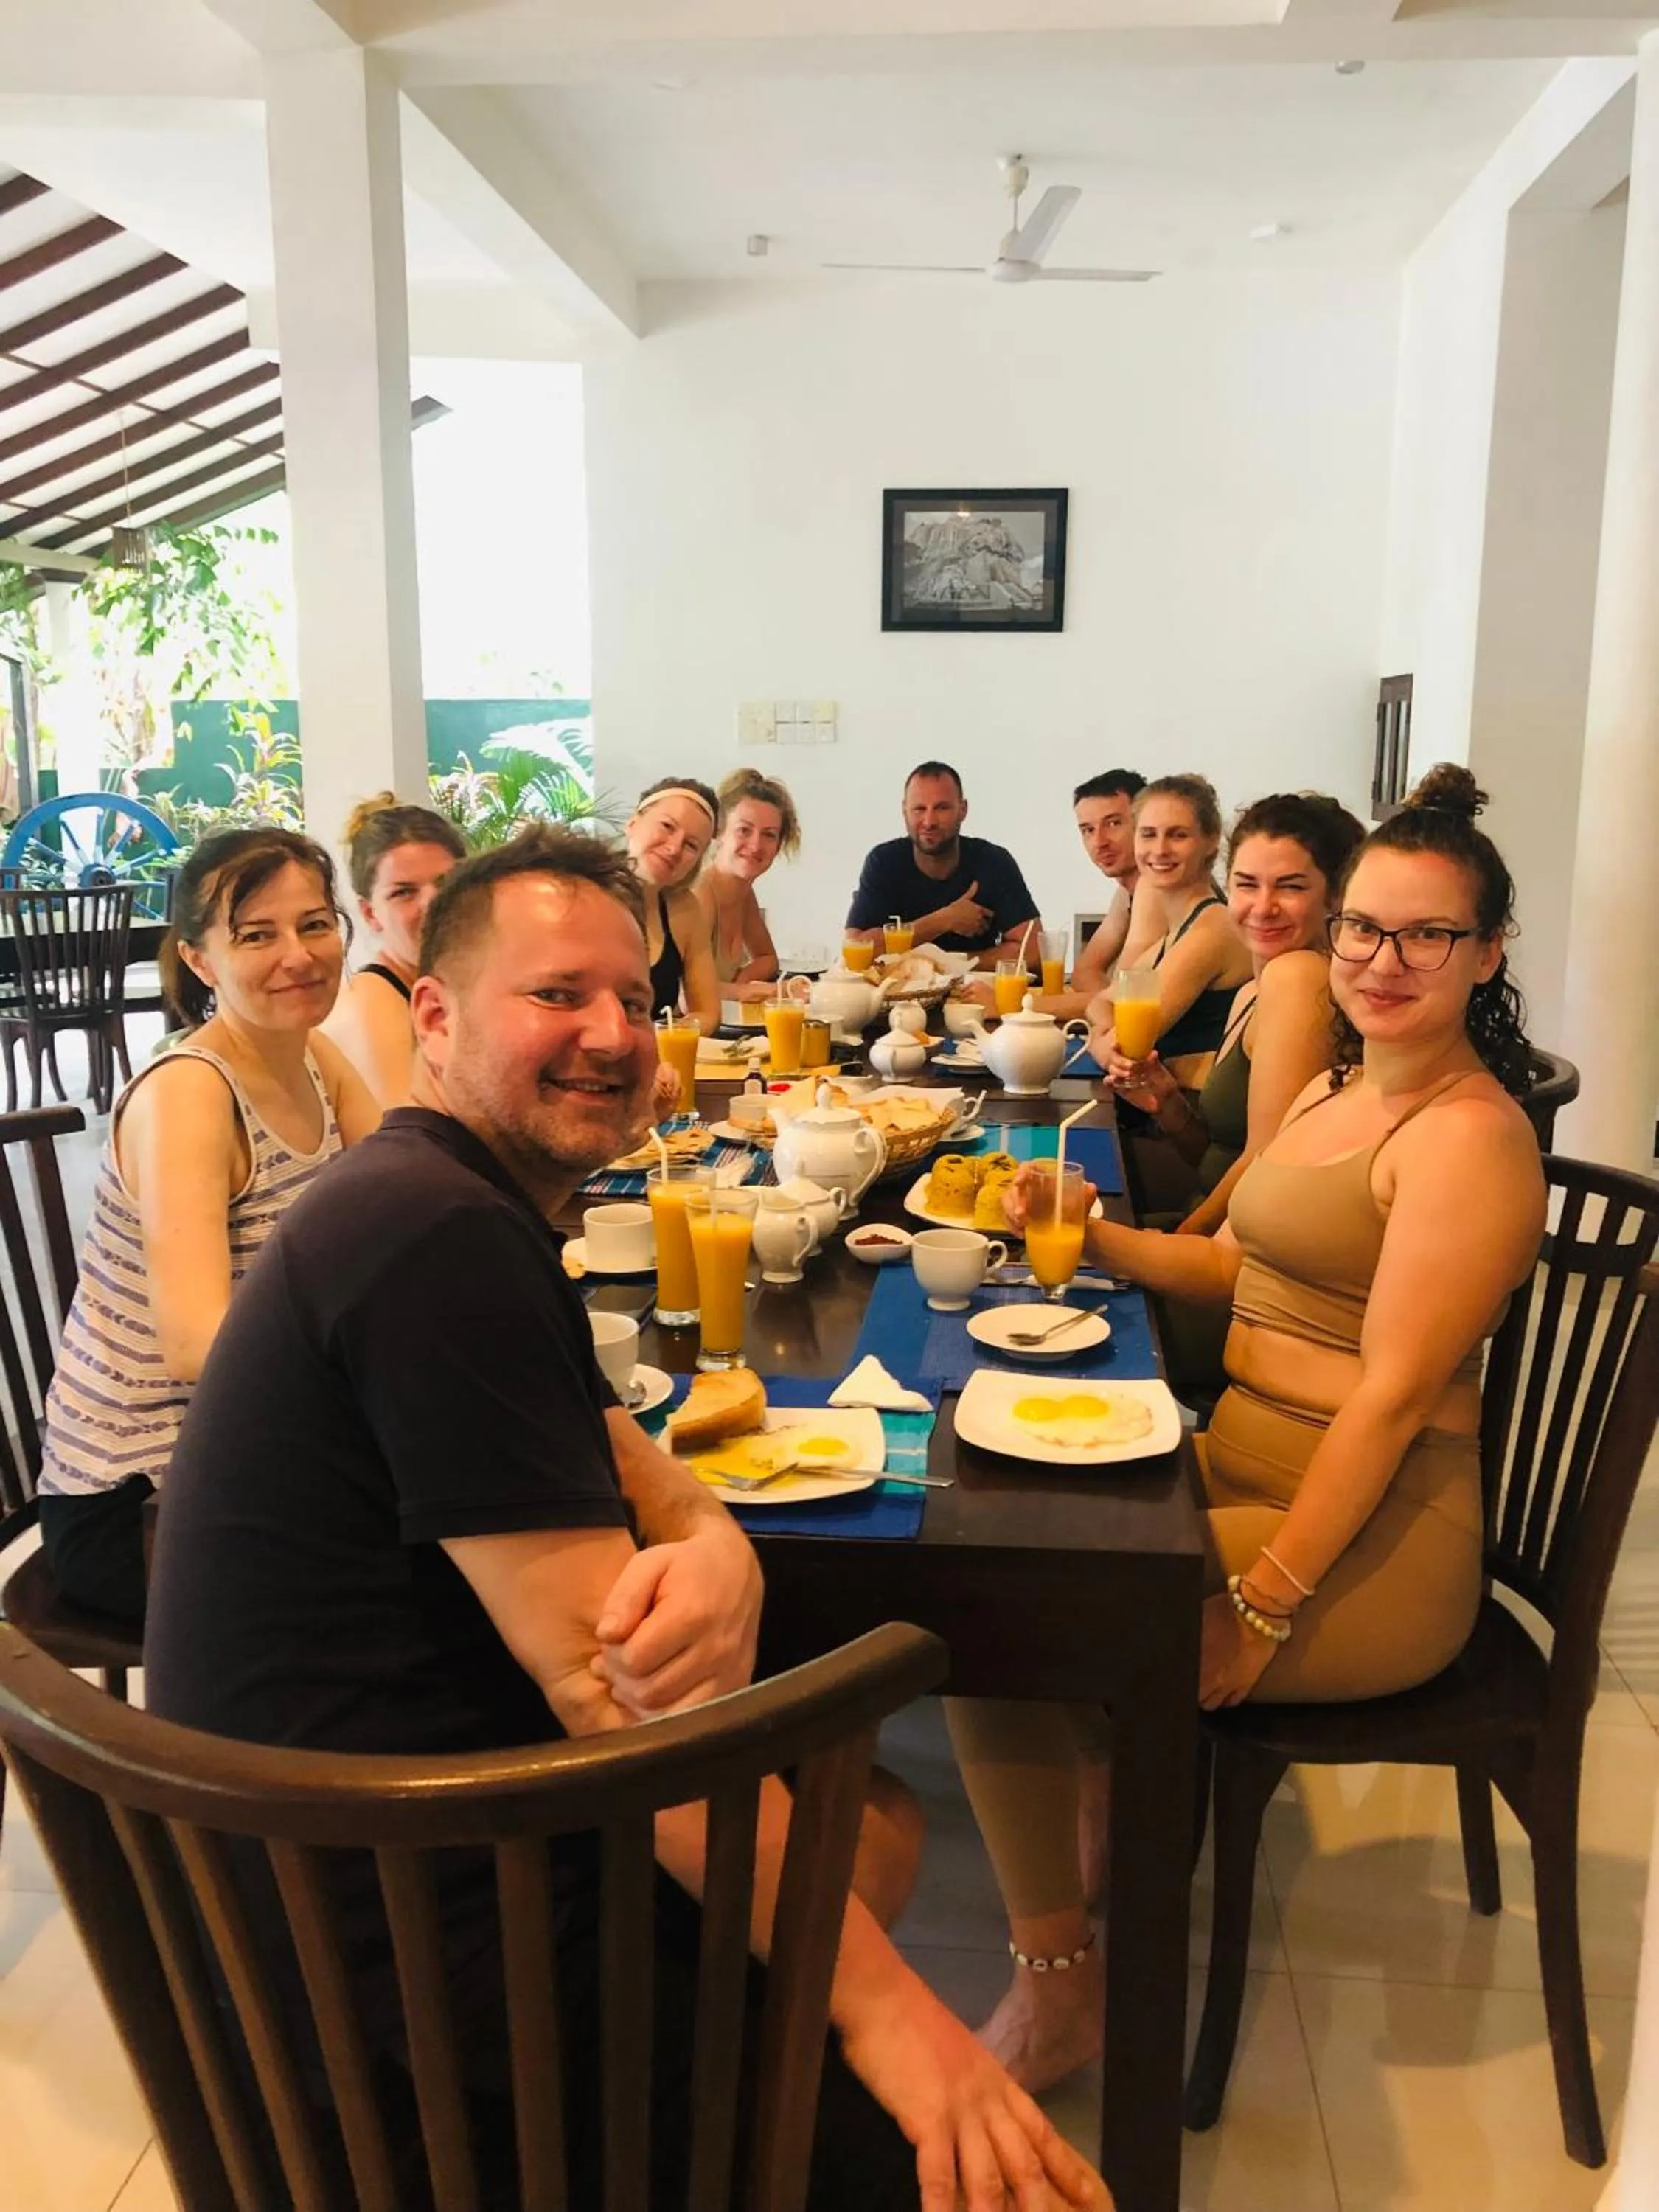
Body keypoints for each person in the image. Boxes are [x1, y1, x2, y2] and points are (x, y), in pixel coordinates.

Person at [143, 826, 1110, 2212]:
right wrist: (901, 2027)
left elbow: (595, 1436)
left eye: (633, 999)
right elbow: (620, 1708)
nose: (613, 1034)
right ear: (432, 1010)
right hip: (418, 1987)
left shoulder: (431, 1198)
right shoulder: (441, 1242)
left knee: (872, 1828)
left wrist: (711, 1537)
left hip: (368, 1884)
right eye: (555, 996)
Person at [945, 764, 1546, 2096]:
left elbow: (1391, 1399)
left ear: (1487, 951)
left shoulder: (1467, 1140)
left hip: (1368, 1548)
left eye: (1427, 934)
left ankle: (1060, 1990)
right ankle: (1106, 1819)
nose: (1383, 960)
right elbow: (1248, 1275)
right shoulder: (1342, 1085)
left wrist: (1264, 1601)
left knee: (993, 1617)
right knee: (1004, 1537)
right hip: (1247, 1465)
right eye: (1363, 929)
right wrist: (1086, 1230)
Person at [35, 827, 380, 1625]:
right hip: (141, 1501)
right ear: (198, 960)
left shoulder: (314, 1056)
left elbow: (403, 1197)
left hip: (257, 1450)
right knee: (441, 1560)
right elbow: (198, 1348)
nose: (297, 954)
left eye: (314, 924)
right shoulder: (189, 1093)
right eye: (256, 935)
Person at [1106, 791, 1366, 1237]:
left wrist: (1175, 1248)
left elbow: (1264, 1165)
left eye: (1291, 886)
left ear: (1334, 897)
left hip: (1249, 1257)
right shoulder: (1252, 991)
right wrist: (1171, 1108)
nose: (1263, 907)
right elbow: (1221, 1157)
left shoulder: (1300, 977)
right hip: (1216, 1227)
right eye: (1246, 884)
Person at [1083, 773, 1251, 1089]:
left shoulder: (1212, 928)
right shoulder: (1175, 933)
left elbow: (1129, 1043)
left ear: (1211, 839)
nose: (1159, 850)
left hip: (1187, 1121)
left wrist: (1101, 1042)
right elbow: (1099, 1003)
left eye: (1178, 835)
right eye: (1148, 834)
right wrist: (1104, 1038)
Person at [321, 792, 468, 1106]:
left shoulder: (452, 989)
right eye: (403, 892)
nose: (432, 903)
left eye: (446, 883)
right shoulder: (374, 1005)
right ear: (370, 913)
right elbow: (409, 1140)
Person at [969, 770, 1145, 1020]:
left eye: (1114, 823)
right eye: (1088, 830)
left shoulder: (1157, 894)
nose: (1100, 841)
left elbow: (1127, 1001)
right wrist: (1104, 1002)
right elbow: (1086, 972)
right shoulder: (1124, 895)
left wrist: (1009, 1006)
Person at [845, 761, 1040, 968]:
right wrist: (944, 920)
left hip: (975, 994)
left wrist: (950, 963)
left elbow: (1033, 951)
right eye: (919, 809)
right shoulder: (884, 861)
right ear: (904, 811)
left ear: (963, 810)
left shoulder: (993, 861)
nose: (929, 821)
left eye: (942, 808)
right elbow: (855, 951)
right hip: (898, 995)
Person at [692, 766, 801, 1000]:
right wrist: (750, 991)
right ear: (718, 831)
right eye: (744, 830)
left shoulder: (743, 892)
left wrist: (741, 980)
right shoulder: (701, 893)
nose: (756, 845)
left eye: (769, 834)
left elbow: (767, 959)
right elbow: (686, 994)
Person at [625, 774, 723, 1033]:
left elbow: (707, 1012)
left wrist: (670, 1039)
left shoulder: (685, 910)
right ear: (633, 823)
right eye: (667, 826)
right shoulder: (587, 898)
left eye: (691, 845)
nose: (674, 848)